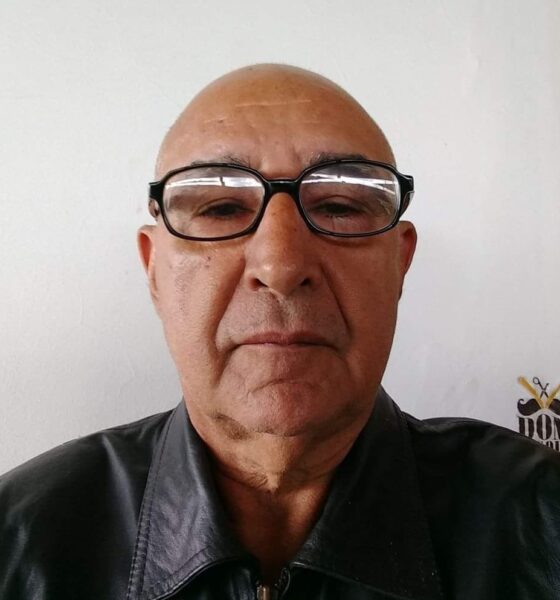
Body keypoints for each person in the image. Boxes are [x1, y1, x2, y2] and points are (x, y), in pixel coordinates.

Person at [1, 64, 559, 600]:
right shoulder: (20, 541)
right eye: (221, 208)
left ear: (400, 262)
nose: (281, 264)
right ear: (153, 270)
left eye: (339, 206)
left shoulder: (541, 520)